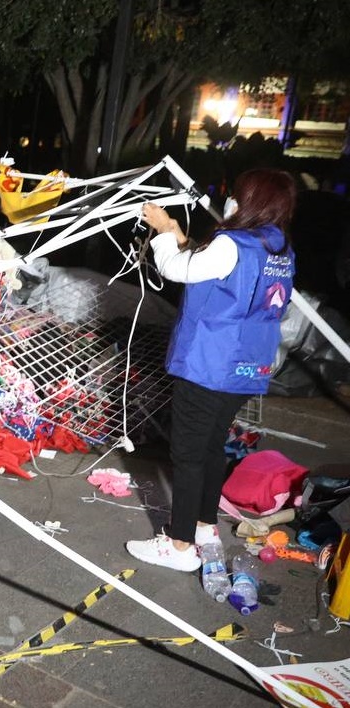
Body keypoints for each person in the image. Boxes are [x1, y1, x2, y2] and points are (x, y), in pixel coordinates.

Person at [125, 168, 296, 572]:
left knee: (187, 453)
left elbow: (177, 269)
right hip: (246, 367)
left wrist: (165, 231)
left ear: (250, 200)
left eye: (236, 194)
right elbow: (214, 274)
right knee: (210, 446)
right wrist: (181, 237)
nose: (230, 200)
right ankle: (205, 526)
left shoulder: (231, 243)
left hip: (211, 365)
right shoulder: (277, 246)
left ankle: (180, 546)